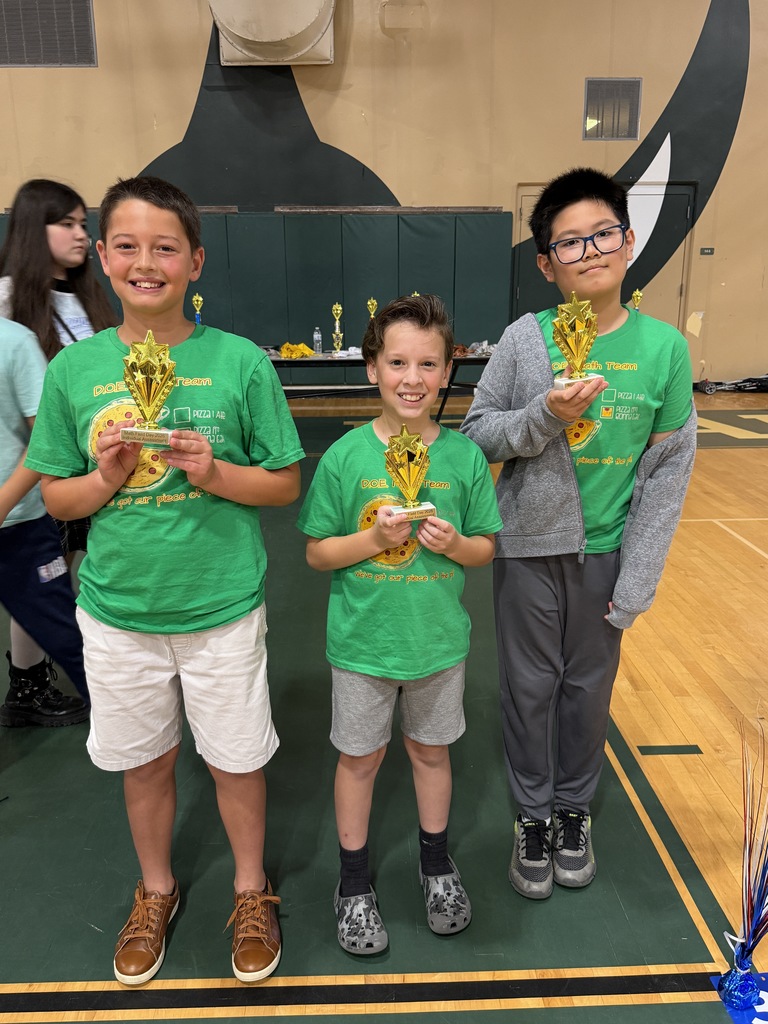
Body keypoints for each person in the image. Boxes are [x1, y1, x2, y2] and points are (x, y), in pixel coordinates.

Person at [25, 175, 304, 985]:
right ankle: (156, 890)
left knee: (235, 760)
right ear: (105, 260)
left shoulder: (239, 362)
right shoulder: (77, 370)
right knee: (144, 763)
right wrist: (108, 477)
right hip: (119, 612)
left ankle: (252, 890)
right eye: (127, 245)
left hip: (221, 607)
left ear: (196, 261)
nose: (146, 262)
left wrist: (214, 473)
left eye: (165, 247)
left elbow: (283, 483)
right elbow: (56, 495)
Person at [461, 168, 696, 900]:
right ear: (546, 263)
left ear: (628, 242)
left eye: (602, 234)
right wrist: (544, 416)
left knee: (587, 692)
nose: (589, 250)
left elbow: (669, 470)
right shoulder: (524, 341)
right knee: (529, 688)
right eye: (569, 241)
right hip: (529, 551)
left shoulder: (664, 351)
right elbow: (476, 437)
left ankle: (572, 811)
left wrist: (637, 579)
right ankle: (532, 815)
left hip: (609, 555)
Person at [298, 293, 502, 955]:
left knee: (430, 751)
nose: (411, 377)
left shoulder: (466, 459)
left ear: (448, 371)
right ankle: (353, 882)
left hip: (437, 644)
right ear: (371, 369)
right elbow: (317, 550)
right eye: (397, 362)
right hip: (362, 645)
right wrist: (372, 541)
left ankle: (437, 865)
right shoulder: (345, 458)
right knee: (359, 759)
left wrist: (452, 545)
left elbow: (484, 548)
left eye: (427, 363)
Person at [0, 179, 116, 691]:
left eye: (83, 224)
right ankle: (28, 681)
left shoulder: (89, 298)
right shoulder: (8, 305)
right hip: (37, 470)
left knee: (66, 571)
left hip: (96, 464)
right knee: (40, 579)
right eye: (65, 223)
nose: (78, 234)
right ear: (31, 228)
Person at [0, 315, 89, 726]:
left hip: (19, 523)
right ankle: (25, 693)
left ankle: (123, 710)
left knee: (61, 623)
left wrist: (3, 502)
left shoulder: (15, 342)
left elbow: (44, 436)